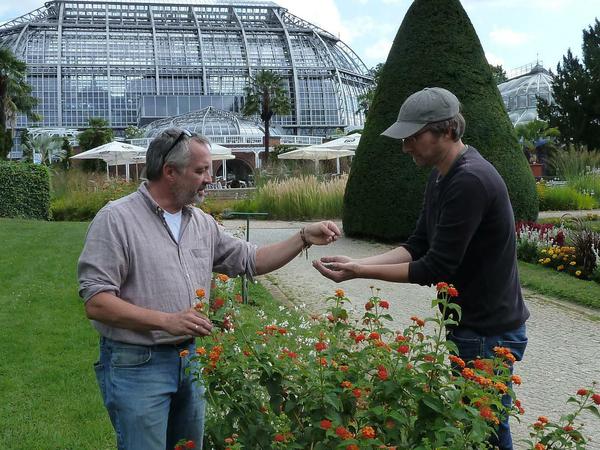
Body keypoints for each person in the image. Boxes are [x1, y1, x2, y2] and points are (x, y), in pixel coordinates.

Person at [78, 128, 341, 450]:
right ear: (170, 172)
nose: (210, 179)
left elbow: (252, 260)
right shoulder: (116, 219)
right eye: (201, 170)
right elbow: (97, 302)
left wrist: (302, 237)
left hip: (190, 359)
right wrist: (167, 321)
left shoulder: (201, 223)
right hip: (137, 363)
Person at [313, 87, 529, 450]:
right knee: (477, 427)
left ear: (447, 131)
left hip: (488, 331)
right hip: (472, 325)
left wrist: (360, 272)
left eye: (413, 136)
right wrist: (357, 263)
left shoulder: (470, 180)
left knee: (486, 431)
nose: (405, 147)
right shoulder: (443, 175)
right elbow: (418, 245)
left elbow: (435, 267)